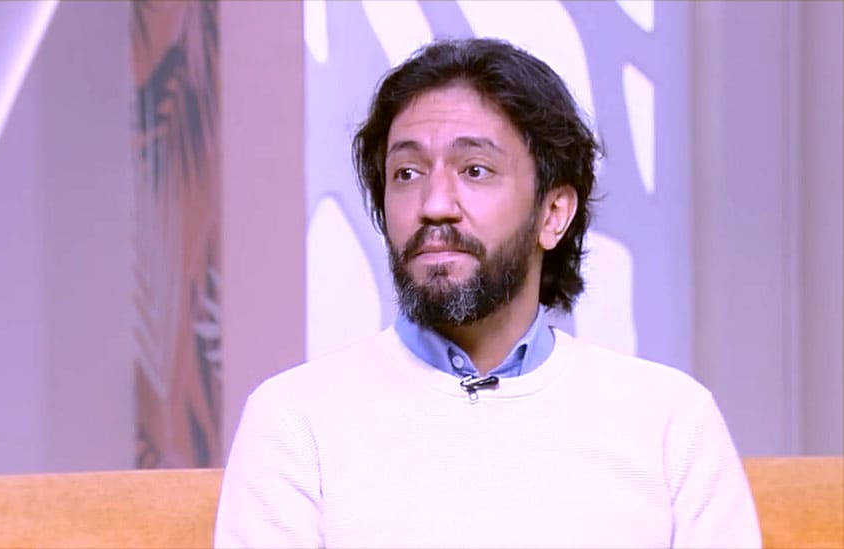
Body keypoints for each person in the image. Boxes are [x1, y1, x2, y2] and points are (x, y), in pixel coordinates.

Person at [214, 38, 760, 548]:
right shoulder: (295, 421)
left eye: (475, 170)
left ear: (553, 213)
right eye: (406, 173)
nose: (434, 205)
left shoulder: (671, 421)